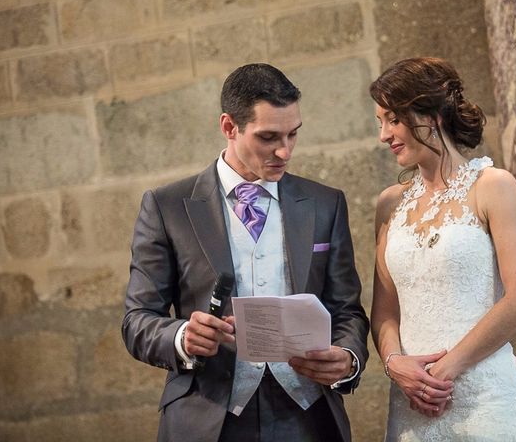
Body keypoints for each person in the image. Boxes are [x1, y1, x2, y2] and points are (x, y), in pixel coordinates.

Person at [121, 63, 369, 442]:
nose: (284, 151)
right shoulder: (167, 206)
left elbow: (346, 309)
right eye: (268, 137)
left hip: (307, 415)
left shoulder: (325, 203)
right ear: (229, 127)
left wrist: (348, 358)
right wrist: (182, 335)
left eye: (293, 134)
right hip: (209, 414)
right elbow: (137, 320)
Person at [369, 57, 516, 440]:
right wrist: (394, 363)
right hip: (412, 403)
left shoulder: (493, 186)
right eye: (380, 122)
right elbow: (384, 310)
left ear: (430, 116)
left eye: (393, 119)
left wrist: (446, 370)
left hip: (484, 396)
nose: (384, 135)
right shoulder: (389, 204)